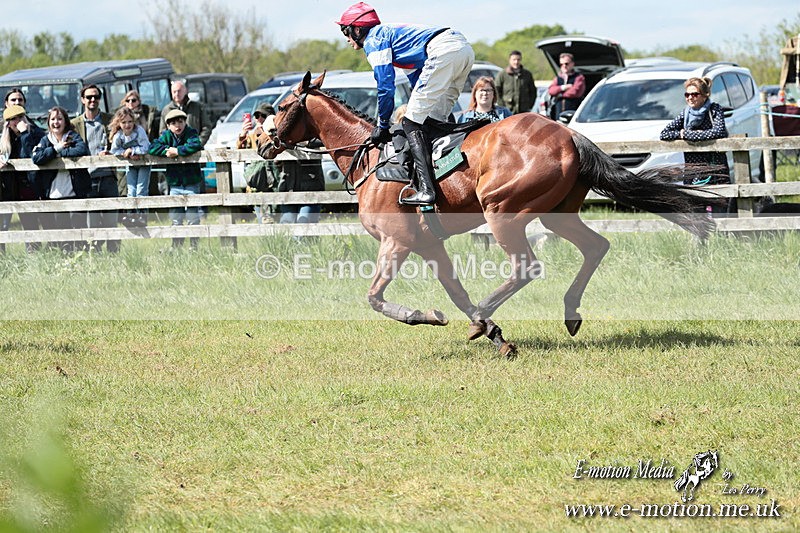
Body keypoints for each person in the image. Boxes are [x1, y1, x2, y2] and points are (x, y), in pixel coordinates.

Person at [336, 2, 474, 206]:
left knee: (410, 122)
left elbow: (385, 87)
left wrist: (382, 125)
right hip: (463, 50)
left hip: (444, 51)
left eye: (345, 32)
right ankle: (449, 174)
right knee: (435, 118)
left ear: (357, 29)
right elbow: (416, 81)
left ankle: (427, 190)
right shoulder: (394, 40)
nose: (346, 39)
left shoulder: (374, 40)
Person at [31, 106, 92, 253]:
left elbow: (82, 150)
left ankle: (80, 259)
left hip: (75, 192)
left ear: (65, 121)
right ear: (48, 122)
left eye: (59, 119)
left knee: (79, 232)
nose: (56, 122)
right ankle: (63, 259)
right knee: (60, 232)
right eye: (53, 119)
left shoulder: (73, 136)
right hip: (54, 194)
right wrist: (56, 149)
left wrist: (60, 153)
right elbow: (37, 157)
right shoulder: (46, 140)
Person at [71, 84, 120, 253]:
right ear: (83, 99)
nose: (93, 100)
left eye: (96, 97)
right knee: (91, 223)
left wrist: (113, 153)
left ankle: (114, 257)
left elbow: (123, 140)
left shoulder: (110, 120)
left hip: (108, 177)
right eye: (89, 97)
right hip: (87, 178)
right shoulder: (74, 124)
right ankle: (95, 257)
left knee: (112, 222)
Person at [660, 76, 730, 187]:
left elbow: (719, 132)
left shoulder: (714, 109)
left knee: (719, 200)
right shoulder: (686, 113)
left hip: (715, 165)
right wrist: (680, 134)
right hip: (693, 168)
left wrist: (687, 134)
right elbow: (664, 134)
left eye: (695, 94)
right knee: (696, 201)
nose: (690, 98)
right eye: (687, 95)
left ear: (704, 95)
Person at [149, 109, 203, 250]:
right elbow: (152, 147)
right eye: (173, 123)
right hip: (175, 183)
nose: (177, 125)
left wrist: (178, 151)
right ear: (168, 126)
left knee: (192, 216)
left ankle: (194, 246)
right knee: (175, 216)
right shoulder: (167, 135)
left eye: (180, 121)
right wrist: (167, 150)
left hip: (191, 181)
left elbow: (196, 144)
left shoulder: (191, 132)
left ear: (185, 122)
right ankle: (176, 246)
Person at [0, 104, 46, 252]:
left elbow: (30, 156)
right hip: (9, 188)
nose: (17, 121)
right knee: (3, 225)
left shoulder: (35, 133)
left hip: (29, 186)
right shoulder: (4, 139)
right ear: (8, 122)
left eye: (20, 117)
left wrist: (25, 133)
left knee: (31, 223)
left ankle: (34, 254)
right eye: (13, 119)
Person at [109, 107, 151, 227]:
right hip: (131, 165)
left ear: (134, 121)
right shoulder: (119, 136)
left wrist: (132, 150)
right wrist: (125, 154)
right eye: (124, 122)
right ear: (119, 123)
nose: (127, 125)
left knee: (141, 190)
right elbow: (114, 150)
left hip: (143, 163)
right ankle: (131, 216)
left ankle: (142, 216)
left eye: (130, 121)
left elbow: (145, 147)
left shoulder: (139, 131)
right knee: (131, 190)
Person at [159, 80, 210, 146]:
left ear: (185, 91)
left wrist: (198, 143)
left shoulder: (197, 107)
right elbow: (162, 132)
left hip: (194, 150)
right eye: (174, 92)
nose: (177, 94)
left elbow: (207, 127)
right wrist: (171, 147)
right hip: (174, 152)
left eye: (179, 91)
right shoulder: (166, 110)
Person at [494, 50, 536, 114]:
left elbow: (533, 91)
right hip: (507, 110)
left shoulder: (527, 74)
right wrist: (502, 106)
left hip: (523, 111)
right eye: (514, 60)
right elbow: (496, 91)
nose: (516, 62)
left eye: (518, 59)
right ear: (510, 60)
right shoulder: (502, 74)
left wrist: (529, 106)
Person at [547, 53, 586, 118]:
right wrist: (563, 87)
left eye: (566, 64)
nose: (564, 66)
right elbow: (551, 91)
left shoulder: (579, 77)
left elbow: (575, 92)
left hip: (573, 114)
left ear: (572, 64)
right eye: (561, 64)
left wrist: (559, 94)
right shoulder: (558, 78)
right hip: (558, 114)